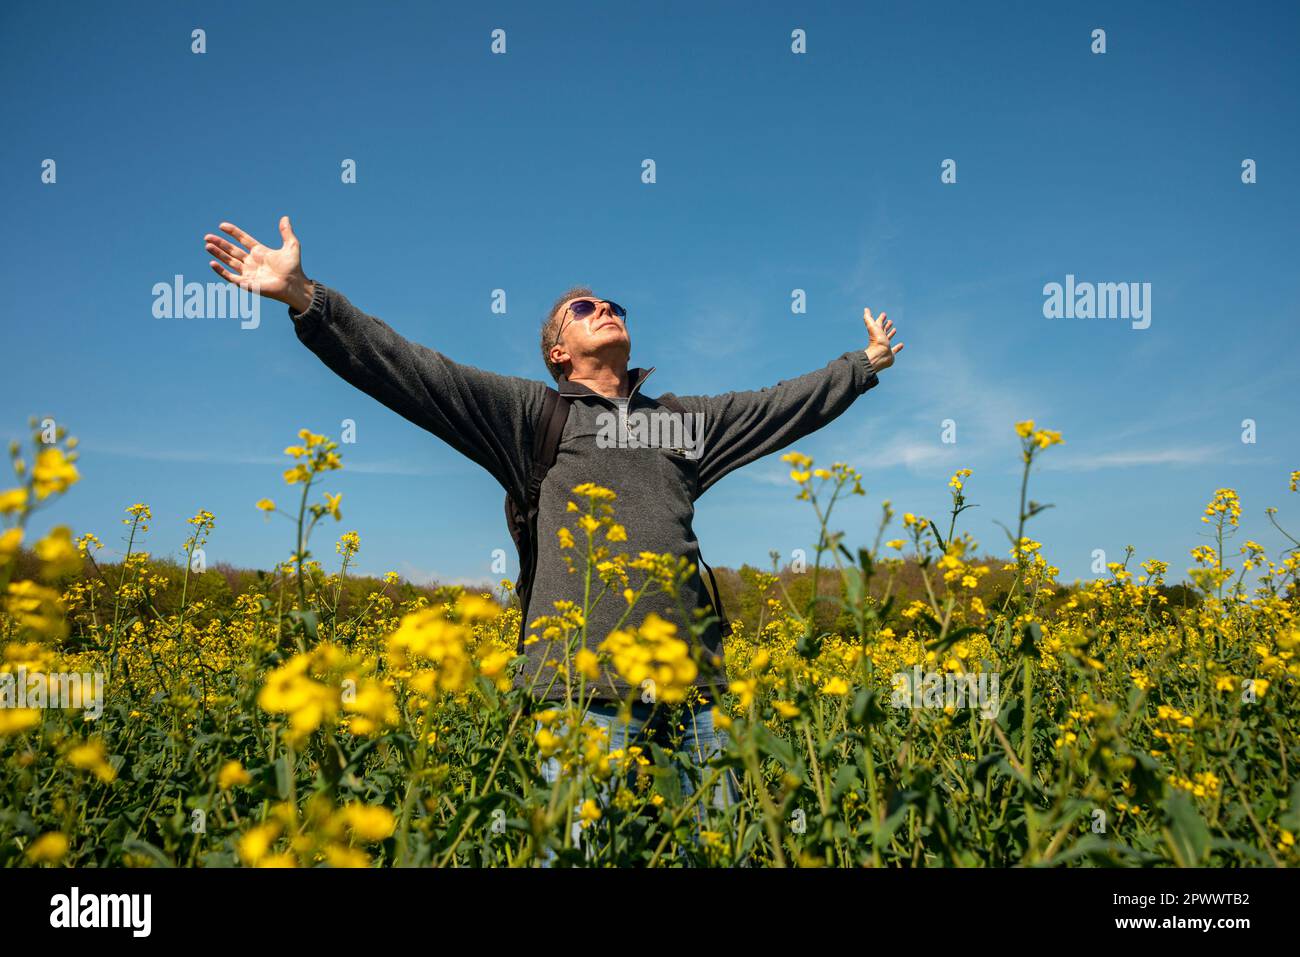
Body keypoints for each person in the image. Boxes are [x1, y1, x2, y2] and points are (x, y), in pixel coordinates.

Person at [203, 216, 903, 853]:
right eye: (584, 308)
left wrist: (861, 365)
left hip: (696, 698)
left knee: (712, 852)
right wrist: (309, 300)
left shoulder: (676, 423)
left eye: (613, 305)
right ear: (557, 352)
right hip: (582, 693)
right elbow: (415, 373)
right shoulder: (534, 417)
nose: (606, 309)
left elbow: (776, 407)